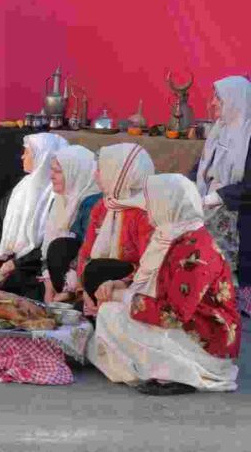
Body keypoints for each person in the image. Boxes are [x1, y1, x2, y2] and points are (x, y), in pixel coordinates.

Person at [87, 174, 239, 395]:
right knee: (110, 312)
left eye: (152, 202)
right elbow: (155, 276)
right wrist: (119, 284)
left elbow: (173, 315)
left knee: (112, 314)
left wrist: (123, 296)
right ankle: (160, 367)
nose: (148, 208)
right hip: (188, 326)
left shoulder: (195, 250)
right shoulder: (173, 234)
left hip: (206, 341)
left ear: (168, 204)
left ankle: (181, 371)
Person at [0, 133, 69, 300]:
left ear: (42, 157)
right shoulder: (20, 188)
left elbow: (49, 244)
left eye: (27, 152)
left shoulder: (56, 196)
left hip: (33, 267)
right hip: (7, 259)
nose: (22, 157)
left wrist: (17, 263)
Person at [76, 144, 155, 313]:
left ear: (119, 173)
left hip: (132, 284)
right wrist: (85, 291)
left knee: (98, 268)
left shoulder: (145, 213)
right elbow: (86, 251)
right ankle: (93, 305)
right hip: (100, 280)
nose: (95, 175)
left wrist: (120, 283)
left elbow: (151, 266)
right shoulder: (103, 205)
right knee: (70, 253)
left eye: (101, 170)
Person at [195, 75, 251, 292]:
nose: (212, 103)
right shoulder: (219, 130)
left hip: (238, 210)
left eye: (219, 98)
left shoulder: (248, 136)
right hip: (210, 202)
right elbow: (202, 168)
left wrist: (214, 198)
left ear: (235, 100)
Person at [40, 145, 102, 303]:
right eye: (52, 170)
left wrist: (70, 289)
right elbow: (47, 249)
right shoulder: (59, 201)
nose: (51, 176)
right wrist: (49, 285)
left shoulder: (92, 203)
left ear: (76, 173)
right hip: (59, 279)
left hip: (84, 280)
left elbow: (87, 249)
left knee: (61, 246)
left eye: (58, 171)